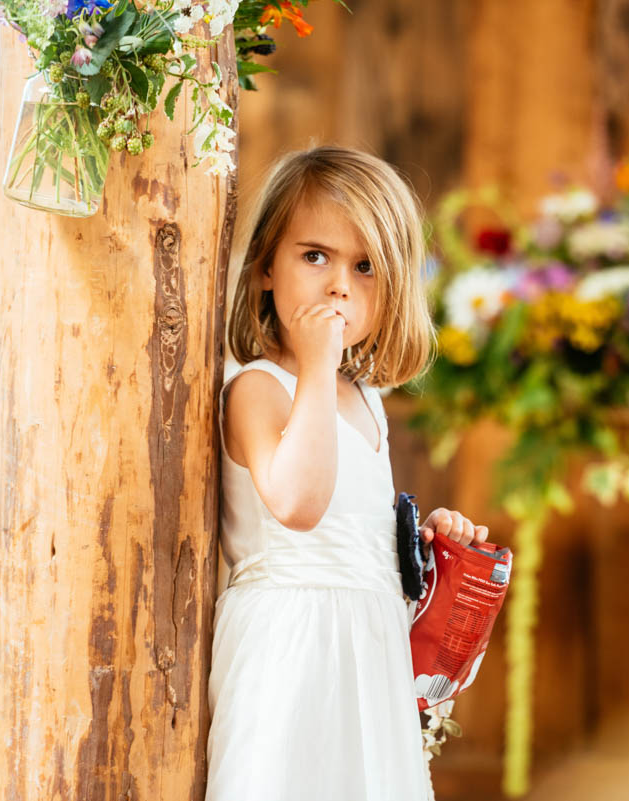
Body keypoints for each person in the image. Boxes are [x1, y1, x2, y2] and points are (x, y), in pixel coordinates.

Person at [207, 146, 489, 800]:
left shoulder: (367, 401)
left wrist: (420, 556)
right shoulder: (258, 388)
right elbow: (299, 503)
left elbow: (352, 537)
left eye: (365, 267)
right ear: (264, 271)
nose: (339, 284)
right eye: (315, 256)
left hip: (368, 649)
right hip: (291, 647)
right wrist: (313, 364)